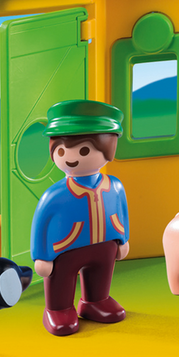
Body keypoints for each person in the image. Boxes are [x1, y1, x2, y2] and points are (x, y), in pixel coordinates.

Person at [30, 100, 130, 336]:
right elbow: (41, 225)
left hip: (105, 245)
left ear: (109, 147)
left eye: (84, 150)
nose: (70, 158)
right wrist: (41, 256)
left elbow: (122, 212)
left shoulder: (114, 186)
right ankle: (58, 309)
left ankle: (96, 301)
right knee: (61, 281)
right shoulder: (54, 195)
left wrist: (123, 239)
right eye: (61, 151)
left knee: (101, 277)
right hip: (65, 249)